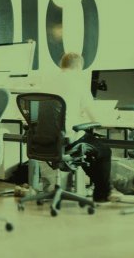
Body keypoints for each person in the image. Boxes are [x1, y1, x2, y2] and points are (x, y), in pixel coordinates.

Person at [40, 52, 120, 203]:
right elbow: (96, 119)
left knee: (89, 152)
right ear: (79, 67)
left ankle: (105, 190)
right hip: (67, 138)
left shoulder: (46, 82)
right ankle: (103, 194)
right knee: (104, 151)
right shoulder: (78, 83)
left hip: (43, 139)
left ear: (61, 65)